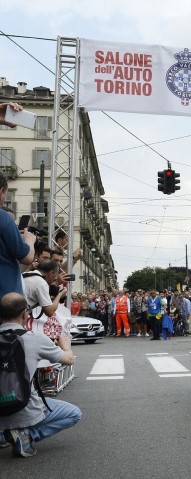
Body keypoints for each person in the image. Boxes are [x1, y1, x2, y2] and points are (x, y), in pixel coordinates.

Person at [0, 292, 81, 457]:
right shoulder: (35, 338)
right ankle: (26, 436)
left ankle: (3, 435)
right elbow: (68, 360)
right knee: (74, 413)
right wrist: (65, 345)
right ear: (25, 313)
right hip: (23, 407)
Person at [0, 170, 36, 298]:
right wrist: (29, 241)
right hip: (6, 300)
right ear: (1, 191)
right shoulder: (3, 218)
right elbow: (27, 257)